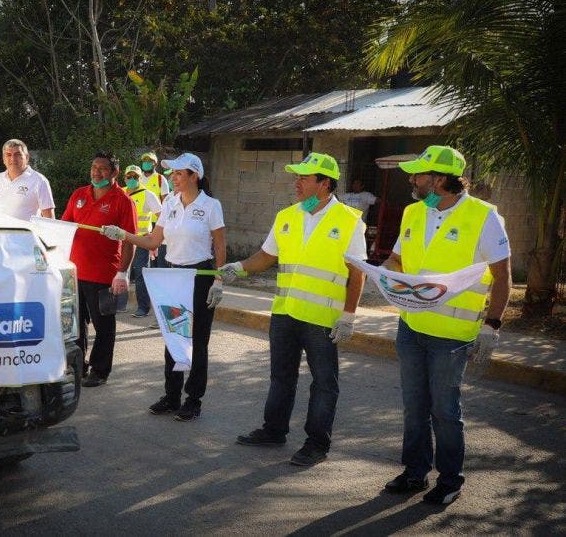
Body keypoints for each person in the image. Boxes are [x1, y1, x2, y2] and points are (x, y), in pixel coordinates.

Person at [380, 145, 510, 505]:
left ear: (439, 180)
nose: (413, 179)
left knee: (445, 411)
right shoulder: (412, 212)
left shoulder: (484, 217)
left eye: (419, 174)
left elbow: (502, 277)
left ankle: (450, 479)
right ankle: (414, 473)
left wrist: (492, 326)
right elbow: (396, 259)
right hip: (411, 327)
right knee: (414, 406)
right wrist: (383, 275)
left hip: (452, 337)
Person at [219, 152, 367, 466]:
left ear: (324, 183)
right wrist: (238, 268)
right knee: (281, 377)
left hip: (321, 318)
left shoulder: (349, 220)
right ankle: (274, 430)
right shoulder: (287, 215)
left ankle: (316, 444)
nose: (296, 183)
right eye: (296, 176)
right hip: (285, 313)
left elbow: (357, 273)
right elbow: (265, 256)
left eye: (304, 177)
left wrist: (349, 316)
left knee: (324, 383)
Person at [102, 153, 226, 422]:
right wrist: (123, 234)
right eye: (172, 174)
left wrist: (219, 280)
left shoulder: (211, 205)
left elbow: (219, 245)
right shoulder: (169, 202)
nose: (174, 178)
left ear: (195, 176)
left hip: (200, 276)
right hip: (173, 276)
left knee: (198, 339)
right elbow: (153, 241)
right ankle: (172, 395)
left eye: (179, 174)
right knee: (174, 336)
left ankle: (193, 399)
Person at [61, 152, 137, 388]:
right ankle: (77, 365)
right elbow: (64, 227)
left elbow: (129, 240)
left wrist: (122, 273)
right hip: (75, 272)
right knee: (75, 324)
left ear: (114, 172)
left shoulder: (123, 201)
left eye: (103, 169)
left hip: (104, 274)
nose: (96, 172)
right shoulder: (79, 195)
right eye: (94, 167)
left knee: (104, 326)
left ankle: (100, 370)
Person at [123, 164, 162, 318]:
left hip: (141, 239)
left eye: (135, 177)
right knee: (120, 271)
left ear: (140, 178)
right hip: (122, 238)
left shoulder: (148, 194)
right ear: (124, 178)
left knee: (140, 272)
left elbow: (162, 216)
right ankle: (118, 304)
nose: (132, 179)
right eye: (129, 176)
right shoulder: (119, 193)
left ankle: (143, 307)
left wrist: (155, 235)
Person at [0, 139, 55, 220]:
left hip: (27, 232)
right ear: (3, 159)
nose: (13, 159)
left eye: (17, 154)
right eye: (8, 155)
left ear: (27, 157)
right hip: (0, 232)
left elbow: (49, 218)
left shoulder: (39, 181)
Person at [140, 152, 171, 267]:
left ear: (155, 164)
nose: (146, 163)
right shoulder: (137, 177)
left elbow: (166, 201)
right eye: (145, 161)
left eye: (149, 161)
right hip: (141, 223)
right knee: (142, 251)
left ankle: (155, 271)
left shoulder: (160, 179)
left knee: (156, 249)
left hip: (157, 221)